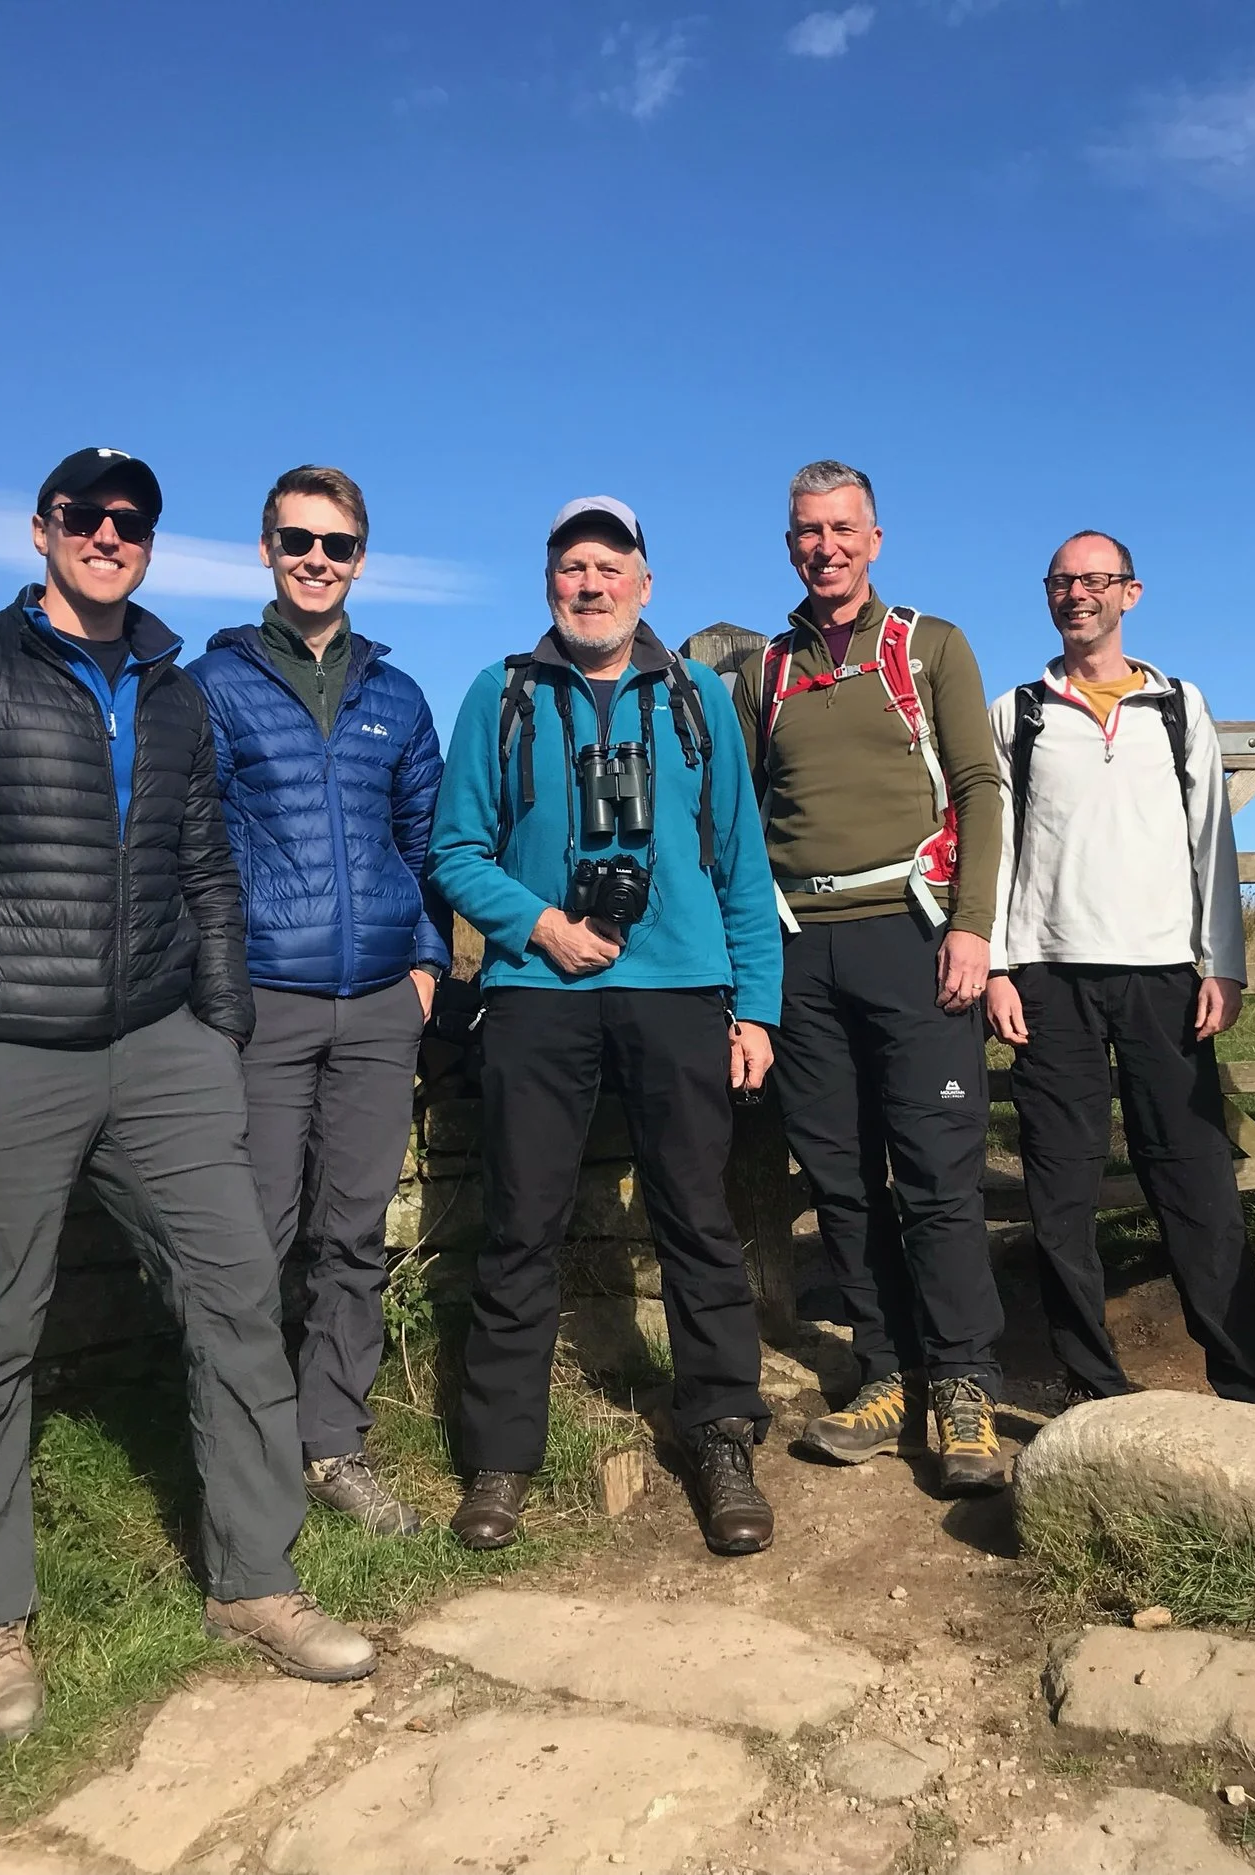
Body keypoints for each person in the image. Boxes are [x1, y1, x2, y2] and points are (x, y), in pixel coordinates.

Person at [0, 447, 374, 1744]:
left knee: (237, 1293)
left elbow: (208, 868)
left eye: (129, 518)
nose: (107, 533)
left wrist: (222, 1026)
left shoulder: (173, 688)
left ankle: (255, 1580)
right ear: (40, 529)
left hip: (164, 1048)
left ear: (148, 539)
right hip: (7, 1050)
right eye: (83, 515)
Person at [427, 496, 783, 1556]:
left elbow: (741, 862)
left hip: (679, 989)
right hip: (540, 992)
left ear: (644, 585)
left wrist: (755, 1004)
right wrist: (538, 923)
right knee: (521, 1226)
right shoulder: (501, 696)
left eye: (609, 566)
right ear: (551, 584)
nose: (590, 584)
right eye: (571, 566)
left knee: (698, 1224)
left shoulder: (695, 701)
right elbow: (454, 851)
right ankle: (502, 1459)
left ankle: (720, 1437)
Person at [731, 460, 1009, 1495]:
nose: (825, 547)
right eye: (807, 531)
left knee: (936, 1174)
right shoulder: (760, 672)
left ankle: (966, 1383)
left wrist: (973, 928)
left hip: (915, 932)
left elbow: (978, 787)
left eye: (843, 529)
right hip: (805, 946)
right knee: (842, 1180)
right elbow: (746, 818)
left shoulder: (930, 647)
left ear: (875, 538)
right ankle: (885, 1370)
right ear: (790, 543)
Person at [187, 465, 447, 1540]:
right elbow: (184, 846)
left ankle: (332, 1443)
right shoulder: (213, 683)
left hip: (381, 1004)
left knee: (351, 1239)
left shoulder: (395, 695)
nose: (315, 560)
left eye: (336, 545)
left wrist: (427, 966)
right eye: (297, 540)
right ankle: (240, 1458)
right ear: (264, 548)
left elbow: (431, 846)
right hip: (266, 1004)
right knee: (254, 1235)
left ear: (359, 559)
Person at [986, 531, 1255, 1410]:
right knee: (1060, 1191)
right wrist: (1000, 967)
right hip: (1050, 976)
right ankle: (1092, 1388)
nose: (1077, 594)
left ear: (1131, 593)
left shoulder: (1178, 706)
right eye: (1062, 581)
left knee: (1194, 1181)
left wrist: (1222, 964)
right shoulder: (1020, 713)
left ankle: (1245, 1382)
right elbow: (997, 848)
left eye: (1095, 580)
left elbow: (1212, 844)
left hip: (1164, 974)